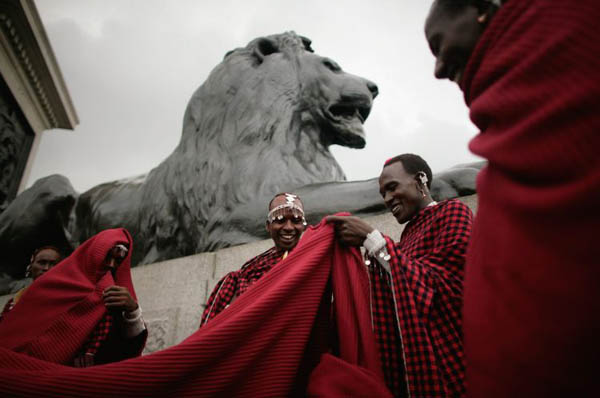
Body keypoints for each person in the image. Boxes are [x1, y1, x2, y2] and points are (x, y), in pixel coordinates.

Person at [424, 1, 599, 397]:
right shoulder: (505, 149)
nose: (436, 71)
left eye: (438, 45)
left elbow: (450, 284)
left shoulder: (577, 49)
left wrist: (378, 248)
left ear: (483, 9)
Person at [327, 153, 473, 398]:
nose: (387, 198)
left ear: (420, 180)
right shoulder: (405, 239)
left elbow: (446, 286)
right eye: (383, 193)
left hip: (455, 364)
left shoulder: (453, 212)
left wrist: (373, 240)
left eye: (392, 188)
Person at [0, 228, 147, 367]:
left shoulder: (115, 299)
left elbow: (125, 352)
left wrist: (132, 311)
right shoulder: (20, 299)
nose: (111, 265)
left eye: (118, 260)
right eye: (106, 257)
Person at [200, 192, 307, 325]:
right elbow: (210, 331)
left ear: (303, 226)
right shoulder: (242, 276)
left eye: (296, 221)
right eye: (280, 220)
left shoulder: (312, 261)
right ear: (268, 226)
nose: (289, 227)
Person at [0, 246, 63, 321]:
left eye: (53, 264)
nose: (46, 268)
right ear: (30, 267)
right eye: (42, 262)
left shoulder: (68, 299)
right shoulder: (16, 301)